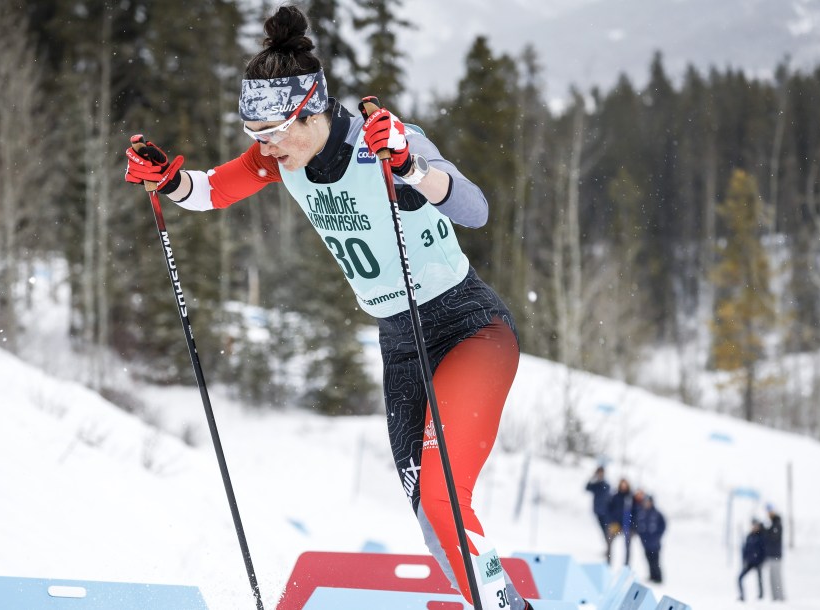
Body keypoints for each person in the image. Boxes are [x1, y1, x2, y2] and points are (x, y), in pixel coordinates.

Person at [123, 6, 527, 609]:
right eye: (255, 135)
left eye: (275, 131)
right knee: (428, 511)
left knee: (442, 493)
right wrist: (168, 180)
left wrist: (412, 170)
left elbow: (474, 208)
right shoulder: (281, 158)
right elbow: (209, 190)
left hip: (467, 327)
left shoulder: (382, 142)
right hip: (400, 341)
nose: (265, 147)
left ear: (312, 110)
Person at [634, 494, 666, 583]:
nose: (647, 504)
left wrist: (657, 536)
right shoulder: (641, 513)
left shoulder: (657, 514)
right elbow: (638, 526)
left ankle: (658, 578)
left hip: (655, 543)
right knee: (648, 560)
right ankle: (652, 576)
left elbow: (662, 526)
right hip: (645, 543)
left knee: (655, 561)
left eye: (648, 502)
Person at [606, 478, 636, 566]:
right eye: (622, 484)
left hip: (628, 525)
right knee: (609, 542)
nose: (623, 486)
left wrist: (633, 525)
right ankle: (608, 562)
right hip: (616, 524)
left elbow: (636, 512)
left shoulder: (631, 497)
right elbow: (609, 510)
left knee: (627, 546)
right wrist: (611, 521)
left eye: (625, 484)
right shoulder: (615, 496)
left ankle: (626, 564)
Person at [585, 466, 612, 560]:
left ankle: (609, 550)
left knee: (607, 532)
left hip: (606, 513)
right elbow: (587, 488)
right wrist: (593, 478)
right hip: (598, 512)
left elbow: (608, 497)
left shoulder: (605, 484)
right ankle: (607, 549)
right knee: (603, 531)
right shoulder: (596, 484)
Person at [739, 519, 766, 601]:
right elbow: (745, 550)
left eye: (756, 525)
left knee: (760, 579)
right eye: (753, 525)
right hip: (749, 562)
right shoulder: (749, 536)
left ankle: (761, 597)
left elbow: (764, 550)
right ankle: (742, 596)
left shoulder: (761, 536)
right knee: (740, 578)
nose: (754, 527)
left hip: (758, 562)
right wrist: (744, 560)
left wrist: (762, 561)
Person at [765, 505, 786, 601]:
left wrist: (766, 532)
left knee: (777, 579)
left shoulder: (777, 524)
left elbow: (774, 537)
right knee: (772, 579)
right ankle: (775, 598)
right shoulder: (772, 524)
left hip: (776, 556)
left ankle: (780, 598)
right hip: (772, 555)